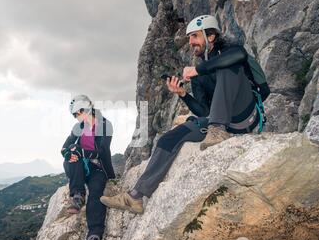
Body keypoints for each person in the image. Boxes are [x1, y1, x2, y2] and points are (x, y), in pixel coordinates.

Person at [100, 15, 270, 214]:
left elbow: (239, 55)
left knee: (225, 66)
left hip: (246, 115)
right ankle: (136, 195)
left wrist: (198, 70)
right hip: (223, 123)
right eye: (189, 38)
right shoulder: (199, 74)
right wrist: (183, 94)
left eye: (195, 36)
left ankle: (216, 129)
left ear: (211, 36)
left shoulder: (229, 52)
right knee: (170, 138)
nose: (190, 42)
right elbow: (204, 111)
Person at [61, 95, 116, 240]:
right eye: (75, 114)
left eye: (80, 112)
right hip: (80, 167)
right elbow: (64, 148)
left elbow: (102, 150)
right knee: (72, 153)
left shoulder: (105, 125)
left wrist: (81, 151)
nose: (78, 116)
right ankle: (77, 195)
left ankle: (94, 236)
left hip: (98, 168)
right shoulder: (78, 127)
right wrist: (69, 153)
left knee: (96, 193)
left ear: (88, 108)